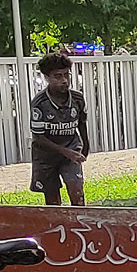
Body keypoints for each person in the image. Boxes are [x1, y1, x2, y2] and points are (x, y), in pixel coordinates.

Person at [29, 51, 89, 206]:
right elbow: (38, 137)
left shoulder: (77, 99)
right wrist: (66, 152)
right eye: (58, 76)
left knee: (76, 190)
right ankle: (57, 229)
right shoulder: (40, 103)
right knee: (52, 200)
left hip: (71, 148)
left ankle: (80, 227)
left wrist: (84, 148)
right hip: (46, 155)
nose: (64, 81)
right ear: (47, 78)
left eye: (66, 75)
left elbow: (81, 123)